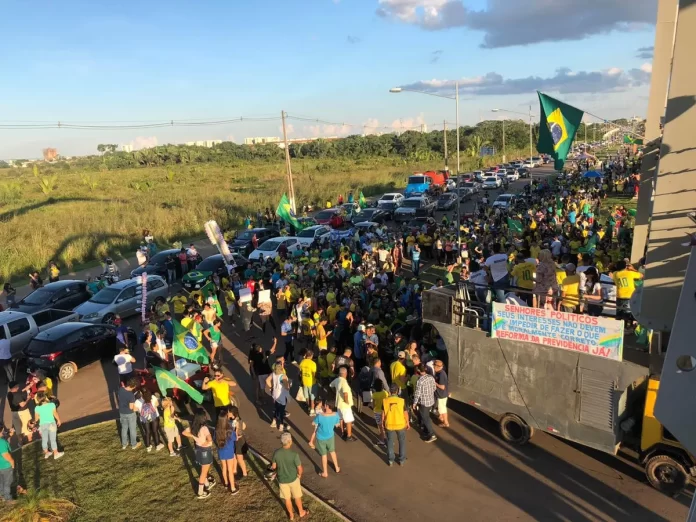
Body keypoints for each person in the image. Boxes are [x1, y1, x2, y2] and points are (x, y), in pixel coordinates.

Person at [271, 432, 308, 520]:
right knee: (297, 497)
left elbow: (273, 466)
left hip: (282, 480)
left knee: (287, 499)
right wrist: (299, 475)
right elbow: (300, 468)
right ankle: (301, 512)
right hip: (293, 479)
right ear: (290, 441)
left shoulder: (276, 453)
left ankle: (291, 515)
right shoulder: (294, 454)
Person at [182, 408, 217, 500]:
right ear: (203, 418)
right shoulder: (204, 428)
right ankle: (200, 492)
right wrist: (205, 442)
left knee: (203, 467)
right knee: (204, 471)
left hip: (198, 449)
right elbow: (210, 439)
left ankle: (207, 483)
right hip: (205, 450)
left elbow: (184, 432)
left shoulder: (193, 426)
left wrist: (194, 437)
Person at [308, 401, 341, 478]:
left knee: (324, 455)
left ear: (327, 406)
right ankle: (337, 468)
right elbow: (337, 425)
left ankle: (325, 473)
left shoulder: (320, 416)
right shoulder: (336, 415)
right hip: (330, 436)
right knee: (332, 451)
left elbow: (313, 423)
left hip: (321, 438)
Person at [383, 383, 409, 466]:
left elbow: (383, 414)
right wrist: (407, 422)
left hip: (389, 424)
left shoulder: (385, 401)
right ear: (397, 391)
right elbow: (405, 413)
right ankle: (401, 460)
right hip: (400, 424)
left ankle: (391, 460)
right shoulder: (401, 401)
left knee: (390, 441)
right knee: (401, 441)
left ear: (390, 391)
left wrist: (383, 423)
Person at [215, 407, 240, 495]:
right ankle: (233, 488)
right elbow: (235, 438)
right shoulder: (229, 430)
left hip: (221, 451)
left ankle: (226, 483)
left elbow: (215, 440)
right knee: (230, 469)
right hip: (229, 451)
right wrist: (236, 429)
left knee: (224, 468)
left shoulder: (217, 430)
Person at [34, 392, 64, 460]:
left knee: (44, 440)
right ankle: (56, 453)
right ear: (45, 397)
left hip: (42, 425)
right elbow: (55, 413)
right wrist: (58, 420)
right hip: (51, 424)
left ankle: (46, 453)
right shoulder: (51, 405)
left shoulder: (37, 408)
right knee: (53, 440)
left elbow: (36, 418)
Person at [413, 364, 437, 443]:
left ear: (419, 371)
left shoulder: (420, 380)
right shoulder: (431, 377)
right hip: (430, 401)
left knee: (425, 418)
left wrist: (414, 403)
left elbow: (417, 393)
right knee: (427, 416)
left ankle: (431, 434)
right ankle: (427, 431)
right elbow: (434, 388)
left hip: (424, 402)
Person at [330, 367, 356, 441]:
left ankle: (343, 433)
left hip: (338, 404)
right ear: (346, 374)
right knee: (348, 421)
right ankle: (349, 436)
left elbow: (331, 385)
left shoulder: (337, 380)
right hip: (345, 405)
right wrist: (346, 401)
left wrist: (336, 392)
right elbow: (345, 394)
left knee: (341, 419)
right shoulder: (344, 382)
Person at [248, 339, 275, 404]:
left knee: (260, 385)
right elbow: (252, 366)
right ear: (259, 349)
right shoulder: (255, 356)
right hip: (256, 371)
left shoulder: (252, 355)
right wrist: (254, 374)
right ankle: (257, 399)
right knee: (257, 386)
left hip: (257, 371)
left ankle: (260, 396)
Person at [266, 359, 290, 432]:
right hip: (281, 395)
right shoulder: (283, 376)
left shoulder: (273, 373)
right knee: (281, 410)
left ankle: (274, 421)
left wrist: (271, 387)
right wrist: (289, 385)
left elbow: (267, 380)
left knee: (276, 408)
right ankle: (281, 425)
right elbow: (287, 387)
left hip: (275, 394)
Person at [7, 381, 33, 447]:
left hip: (14, 413)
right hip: (23, 413)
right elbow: (22, 404)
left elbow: (19, 393)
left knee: (18, 429)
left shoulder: (9, 394)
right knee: (28, 427)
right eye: (17, 386)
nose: (18, 387)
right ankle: (30, 441)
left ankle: (20, 443)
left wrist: (26, 388)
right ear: (15, 387)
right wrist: (28, 398)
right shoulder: (17, 395)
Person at [118, 378, 141, 450]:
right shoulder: (131, 395)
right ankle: (134, 444)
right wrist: (138, 408)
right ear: (133, 386)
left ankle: (124, 444)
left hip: (122, 412)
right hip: (130, 414)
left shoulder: (121, 389)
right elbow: (131, 408)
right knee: (132, 429)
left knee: (124, 428)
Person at [228, 406, 248, 480]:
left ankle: (244, 473)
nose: (227, 413)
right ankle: (234, 470)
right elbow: (244, 426)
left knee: (239, 458)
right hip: (236, 439)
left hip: (238, 440)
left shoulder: (235, 421)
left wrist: (237, 431)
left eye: (229, 412)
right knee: (234, 455)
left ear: (233, 413)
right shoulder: (236, 419)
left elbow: (236, 433)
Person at [298, 350, 318, 416]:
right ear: (311, 356)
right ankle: (312, 410)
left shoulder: (302, 362)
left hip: (304, 381)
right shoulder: (313, 364)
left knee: (306, 396)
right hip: (312, 382)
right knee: (312, 396)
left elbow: (300, 372)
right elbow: (314, 374)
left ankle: (309, 407)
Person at [371, 379, 388, 446]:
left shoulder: (374, 395)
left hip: (377, 411)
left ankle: (382, 440)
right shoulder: (385, 393)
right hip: (385, 411)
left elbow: (373, 404)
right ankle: (388, 439)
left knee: (380, 426)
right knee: (386, 425)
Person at [0, 424, 15, 501]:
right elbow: (6, 455)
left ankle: (1, 496)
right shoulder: (2, 443)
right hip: (5, 466)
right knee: (7, 483)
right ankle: (8, 499)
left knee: (1, 482)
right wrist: (12, 463)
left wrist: (9, 435)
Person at [433, 360, 450, 428]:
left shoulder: (441, 374)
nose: (433, 367)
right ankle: (441, 417)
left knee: (442, 409)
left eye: (434, 365)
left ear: (438, 367)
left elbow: (443, 387)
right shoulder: (439, 372)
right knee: (442, 408)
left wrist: (435, 383)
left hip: (441, 395)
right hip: (441, 394)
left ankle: (446, 422)